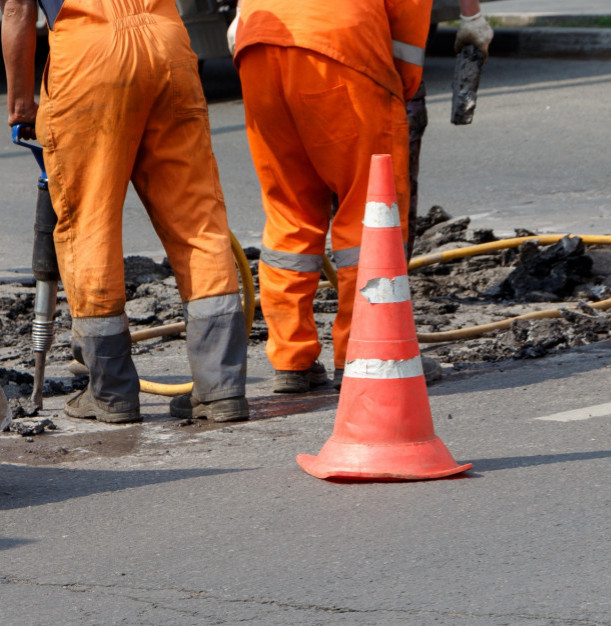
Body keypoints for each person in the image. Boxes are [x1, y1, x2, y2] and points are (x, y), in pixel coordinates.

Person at [2, 0, 249, 423]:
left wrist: (23, 105)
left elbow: (16, 12)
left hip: (90, 53)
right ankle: (220, 388)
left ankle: (112, 391)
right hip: (167, 42)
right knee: (197, 217)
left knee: (89, 226)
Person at [228, 0, 432, 392]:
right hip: (339, 45)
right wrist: (402, 79)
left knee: (289, 208)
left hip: (260, 47)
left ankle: (291, 359)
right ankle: (365, 353)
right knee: (369, 211)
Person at [406, 0, 494, 259]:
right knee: (383, 195)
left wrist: (471, 17)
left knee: (299, 207)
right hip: (383, 83)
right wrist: (471, 15)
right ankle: (383, 285)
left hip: (295, 59)